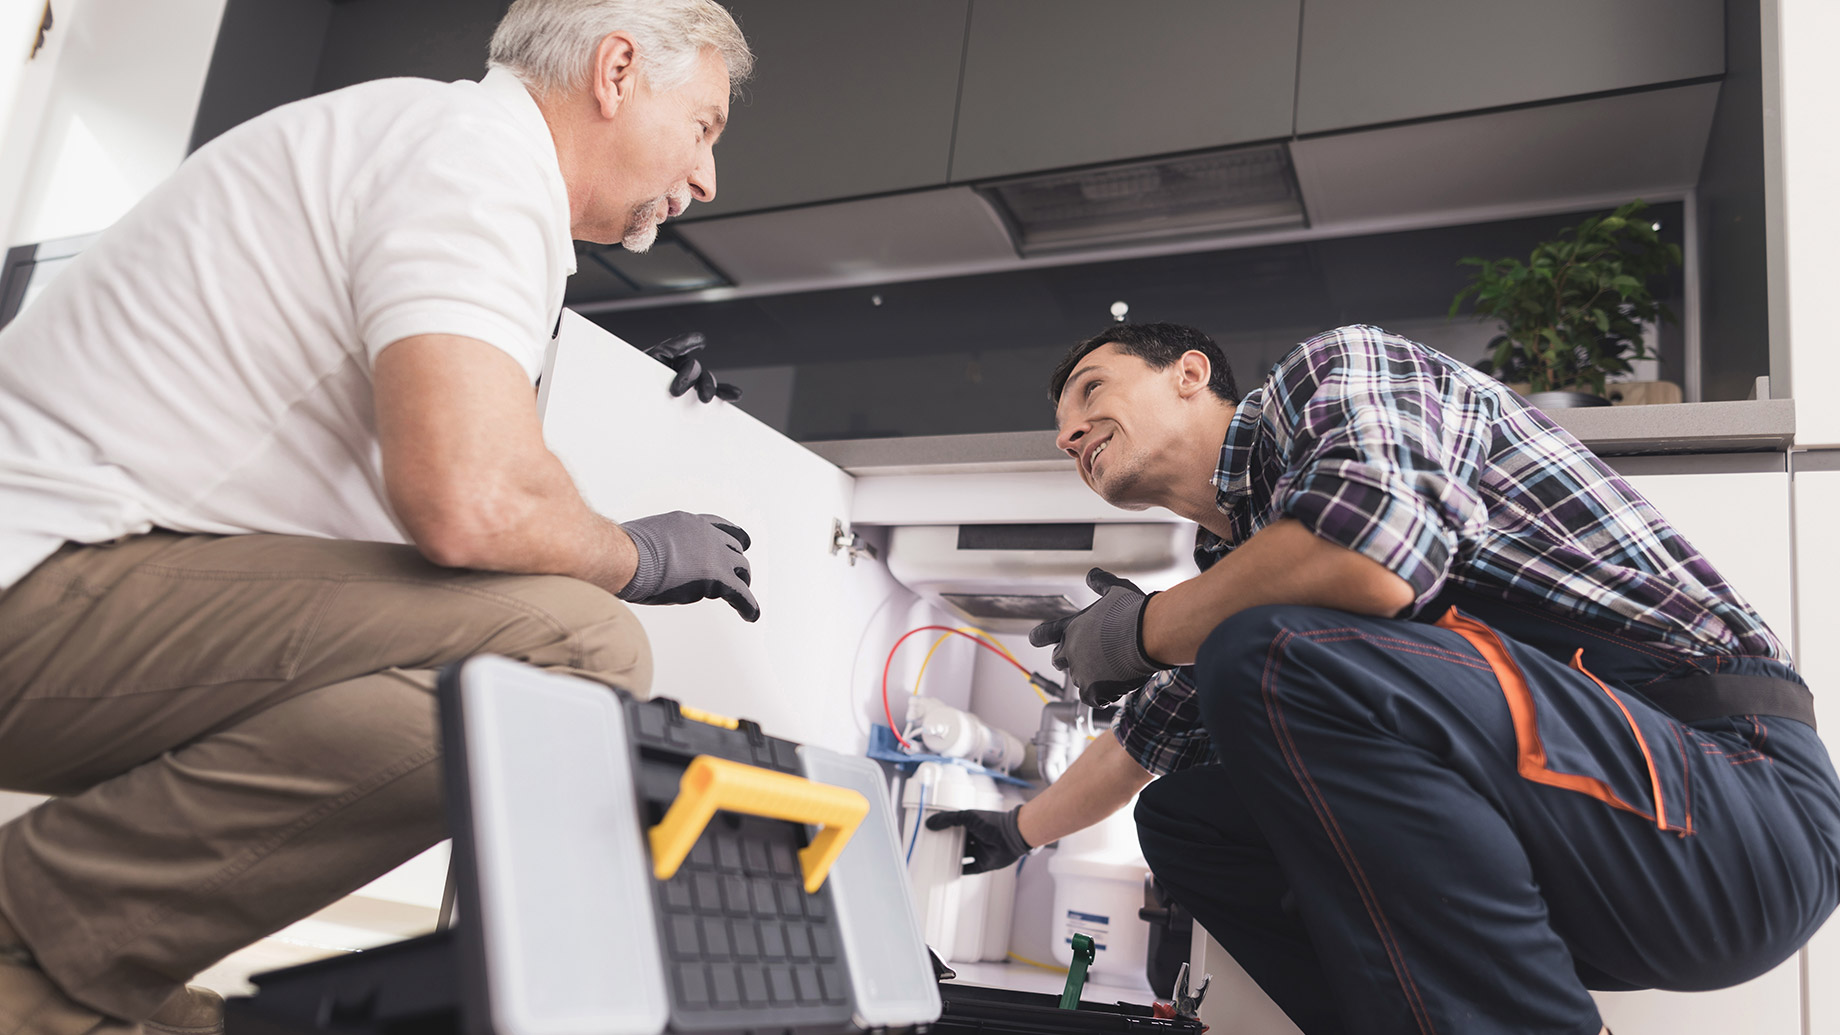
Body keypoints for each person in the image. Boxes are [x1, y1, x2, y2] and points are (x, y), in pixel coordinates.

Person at [0, 3, 755, 1033]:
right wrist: (635, 554)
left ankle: (85, 973)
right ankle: (36, 943)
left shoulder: (435, 147)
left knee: (531, 629)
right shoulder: (473, 161)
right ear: (616, 71)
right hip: (38, 577)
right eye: (704, 125)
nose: (706, 177)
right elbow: (472, 499)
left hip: (73, 577)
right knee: (579, 648)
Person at [930, 323, 1840, 1034]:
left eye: (1091, 391)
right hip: (1584, 869)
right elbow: (1147, 741)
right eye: (1061, 429)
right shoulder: (1244, 569)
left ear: (1191, 373)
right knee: (1187, 821)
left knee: (1272, 651)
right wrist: (1012, 831)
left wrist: (1141, 630)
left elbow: (1368, 552)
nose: (1070, 431)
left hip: (1729, 799)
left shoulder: (1330, 373)